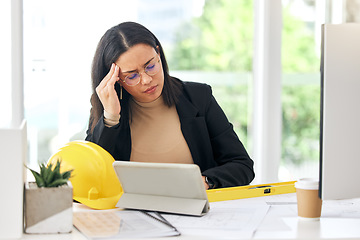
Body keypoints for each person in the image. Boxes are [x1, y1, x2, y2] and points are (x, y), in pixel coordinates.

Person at [86, 21, 254, 189]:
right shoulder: (105, 107)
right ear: (116, 80)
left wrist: (204, 182)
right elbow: (92, 178)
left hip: (196, 211)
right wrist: (111, 117)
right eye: (131, 76)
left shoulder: (198, 97)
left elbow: (242, 165)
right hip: (129, 213)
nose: (146, 80)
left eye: (150, 66)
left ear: (159, 54)